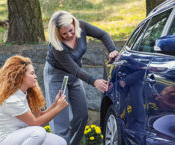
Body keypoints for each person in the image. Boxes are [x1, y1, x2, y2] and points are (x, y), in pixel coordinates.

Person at [43, 10, 119, 145]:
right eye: (64, 34)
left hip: (74, 75)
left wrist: (112, 49)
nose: (69, 35)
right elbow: (75, 69)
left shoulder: (81, 26)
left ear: (74, 23)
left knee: (82, 116)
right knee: (60, 121)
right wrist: (94, 81)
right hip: (56, 76)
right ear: (57, 33)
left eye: (71, 31)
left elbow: (103, 34)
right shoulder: (56, 47)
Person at [0, 55, 68, 145]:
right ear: (20, 76)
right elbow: (35, 123)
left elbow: (39, 116)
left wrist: (55, 104)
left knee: (60, 142)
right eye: (32, 73)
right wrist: (58, 108)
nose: (35, 76)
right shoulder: (12, 100)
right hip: (4, 140)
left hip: (22, 136)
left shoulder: (26, 95)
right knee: (38, 132)